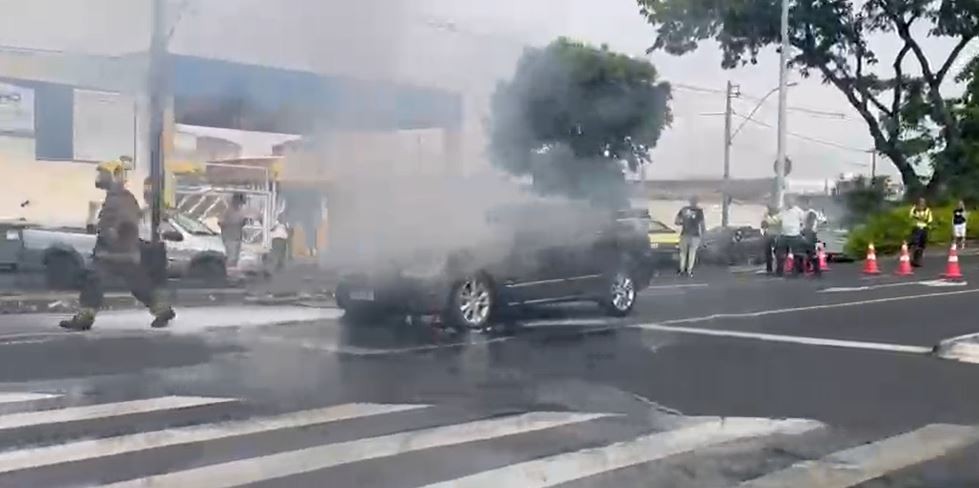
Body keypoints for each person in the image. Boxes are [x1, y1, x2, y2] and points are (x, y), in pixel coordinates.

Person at [59, 161, 175, 331]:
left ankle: (85, 318)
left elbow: (128, 224)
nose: (99, 178)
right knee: (136, 284)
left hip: (116, 253)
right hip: (119, 253)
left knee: (96, 280)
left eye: (103, 174)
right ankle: (162, 311)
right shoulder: (115, 197)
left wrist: (115, 236)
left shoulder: (122, 198)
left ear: (115, 177)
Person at [674, 196, 706, 277]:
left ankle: (681, 270)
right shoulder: (699, 211)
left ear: (689, 201)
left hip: (684, 234)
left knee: (683, 253)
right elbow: (702, 225)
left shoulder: (684, 210)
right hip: (695, 235)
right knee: (692, 253)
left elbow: (676, 222)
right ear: (697, 202)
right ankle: (689, 271)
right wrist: (703, 236)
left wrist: (684, 223)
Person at [776, 196, 806, 277]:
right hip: (784, 235)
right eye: (787, 201)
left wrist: (802, 229)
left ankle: (797, 271)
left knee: (797, 254)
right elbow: (777, 219)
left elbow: (804, 220)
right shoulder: (783, 211)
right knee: (781, 254)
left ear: (793, 202)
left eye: (790, 201)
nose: (788, 203)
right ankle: (780, 271)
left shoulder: (798, 211)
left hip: (795, 235)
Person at [219, 193, 249, 268]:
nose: (240, 205)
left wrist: (242, 222)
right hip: (230, 238)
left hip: (236, 237)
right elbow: (221, 223)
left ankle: (231, 271)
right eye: (239, 202)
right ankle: (229, 272)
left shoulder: (238, 212)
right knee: (231, 258)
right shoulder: (228, 211)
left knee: (234, 258)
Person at [909, 197, 933, 267]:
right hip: (917, 228)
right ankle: (913, 259)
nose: (922, 204)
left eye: (923, 202)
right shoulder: (914, 209)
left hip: (924, 228)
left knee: (922, 245)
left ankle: (918, 259)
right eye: (920, 202)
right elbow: (911, 216)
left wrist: (929, 226)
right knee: (915, 244)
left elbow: (929, 220)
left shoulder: (928, 210)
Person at [760, 205, 781, 274]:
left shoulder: (778, 216)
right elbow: (763, 225)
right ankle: (769, 268)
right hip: (769, 235)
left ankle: (778, 268)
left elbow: (777, 224)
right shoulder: (767, 216)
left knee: (777, 253)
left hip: (776, 235)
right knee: (768, 253)